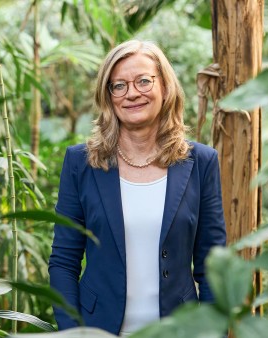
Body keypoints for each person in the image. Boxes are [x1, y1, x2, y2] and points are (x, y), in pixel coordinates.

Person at [48, 39, 226, 336]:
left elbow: (212, 267)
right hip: (98, 330)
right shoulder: (81, 163)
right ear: (108, 96)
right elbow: (63, 261)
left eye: (144, 81)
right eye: (119, 85)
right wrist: (73, 332)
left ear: (165, 87)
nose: (131, 93)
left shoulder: (201, 163)